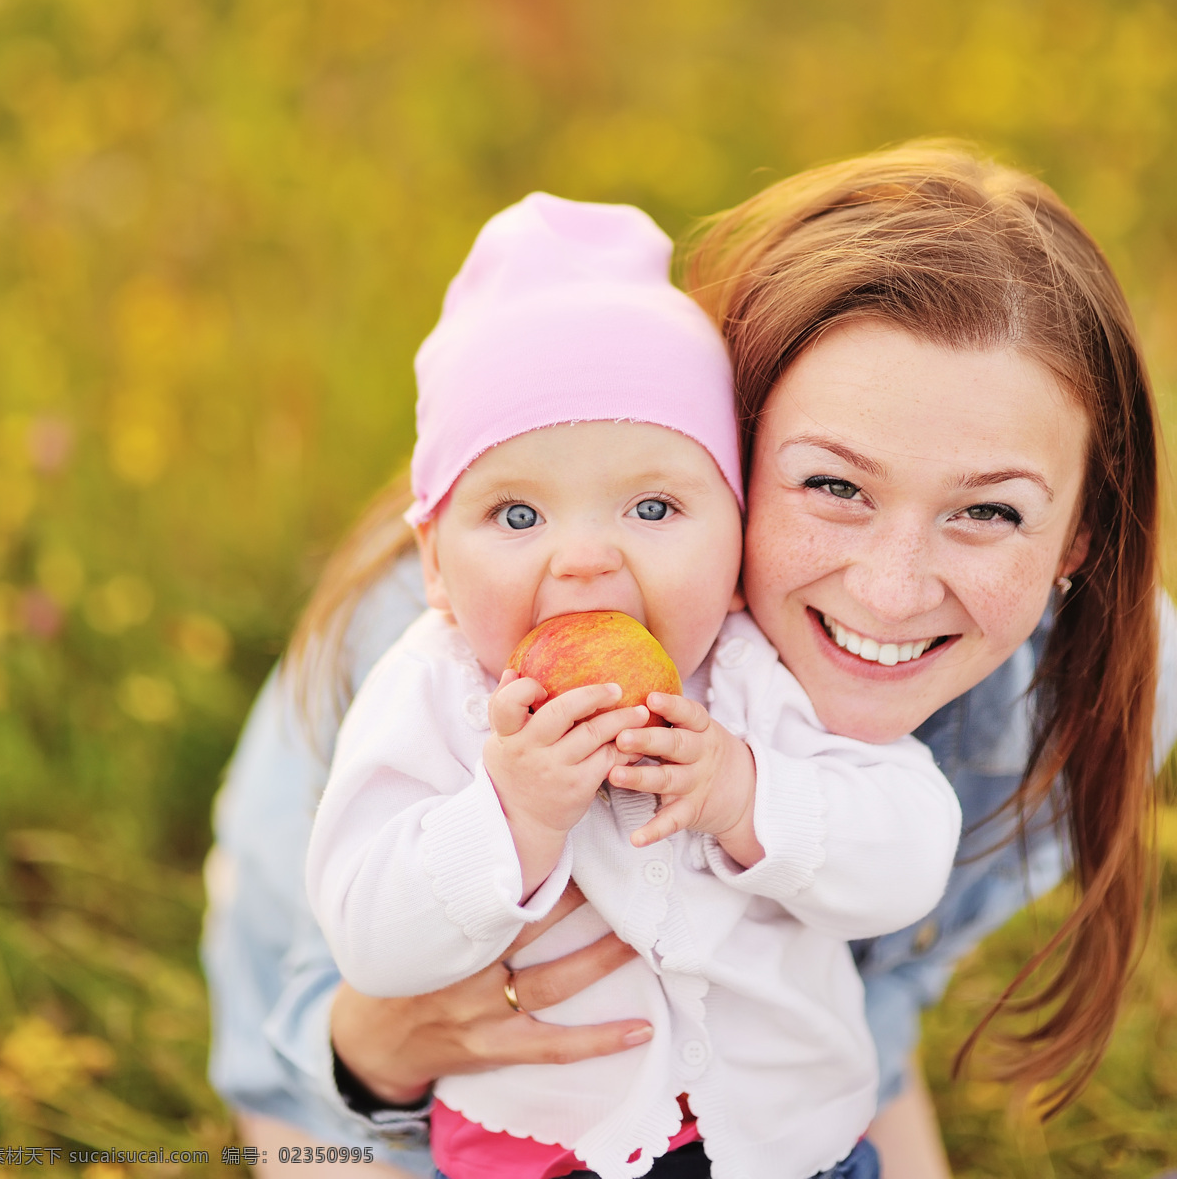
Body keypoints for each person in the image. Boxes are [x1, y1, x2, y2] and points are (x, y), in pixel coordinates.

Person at [201, 143, 1177, 1179]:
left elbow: (878, 963)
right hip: (408, 1113)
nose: (891, 591)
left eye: (990, 510)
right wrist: (391, 1031)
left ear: (1081, 535)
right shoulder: (451, 644)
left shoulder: (1089, 689)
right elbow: (302, 1023)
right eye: (833, 485)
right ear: (741, 456)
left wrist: (750, 803)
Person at [302, 191, 962, 1179]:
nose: (583, 559)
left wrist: (748, 795)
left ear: (739, 533)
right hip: (546, 1157)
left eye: (653, 505)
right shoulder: (431, 699)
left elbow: (905, 857)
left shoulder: (749, 674)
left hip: (791, 1150)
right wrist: (511, 817)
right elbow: (371, 941)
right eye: (517, 515)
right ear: (433, 562)